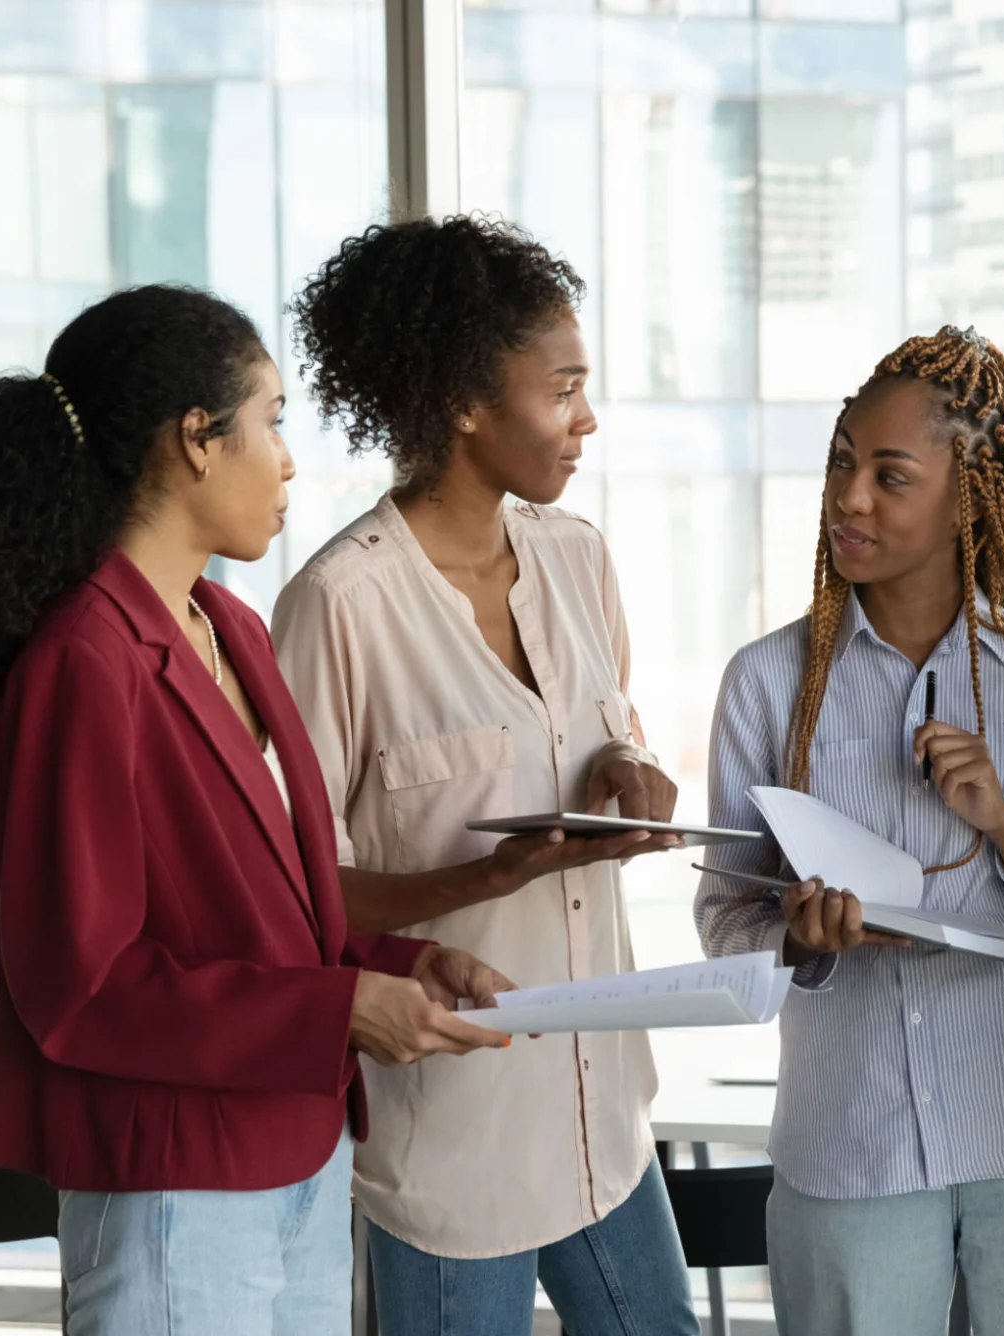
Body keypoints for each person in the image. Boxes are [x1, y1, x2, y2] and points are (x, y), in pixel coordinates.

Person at [0, 284, 516, 1336]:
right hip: (175, 1187)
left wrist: (390, 968)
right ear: (196, 440)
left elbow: (257, 909)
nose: (290, 459)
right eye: (272, 421)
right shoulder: (84, 659)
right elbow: (82, 985)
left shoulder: (229, 626)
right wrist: (336, 1012)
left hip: (299, 1152)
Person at [274, 216, 697, 1336]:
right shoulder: (340, 604)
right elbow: (296, 888)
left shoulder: (579, 557)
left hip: (603, 1117)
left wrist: (626, 767)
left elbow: (607, 732)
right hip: (452, 1143)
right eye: (562, 390)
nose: (586, 419)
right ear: (465, 401)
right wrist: (488, 876)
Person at [695, 326, 1004, 1336]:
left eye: (891, 476)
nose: (851, 497)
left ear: (969, 496)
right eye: (844, 462)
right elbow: (722, 918)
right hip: (849, 1147)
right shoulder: (766, 684)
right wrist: (798, 940)